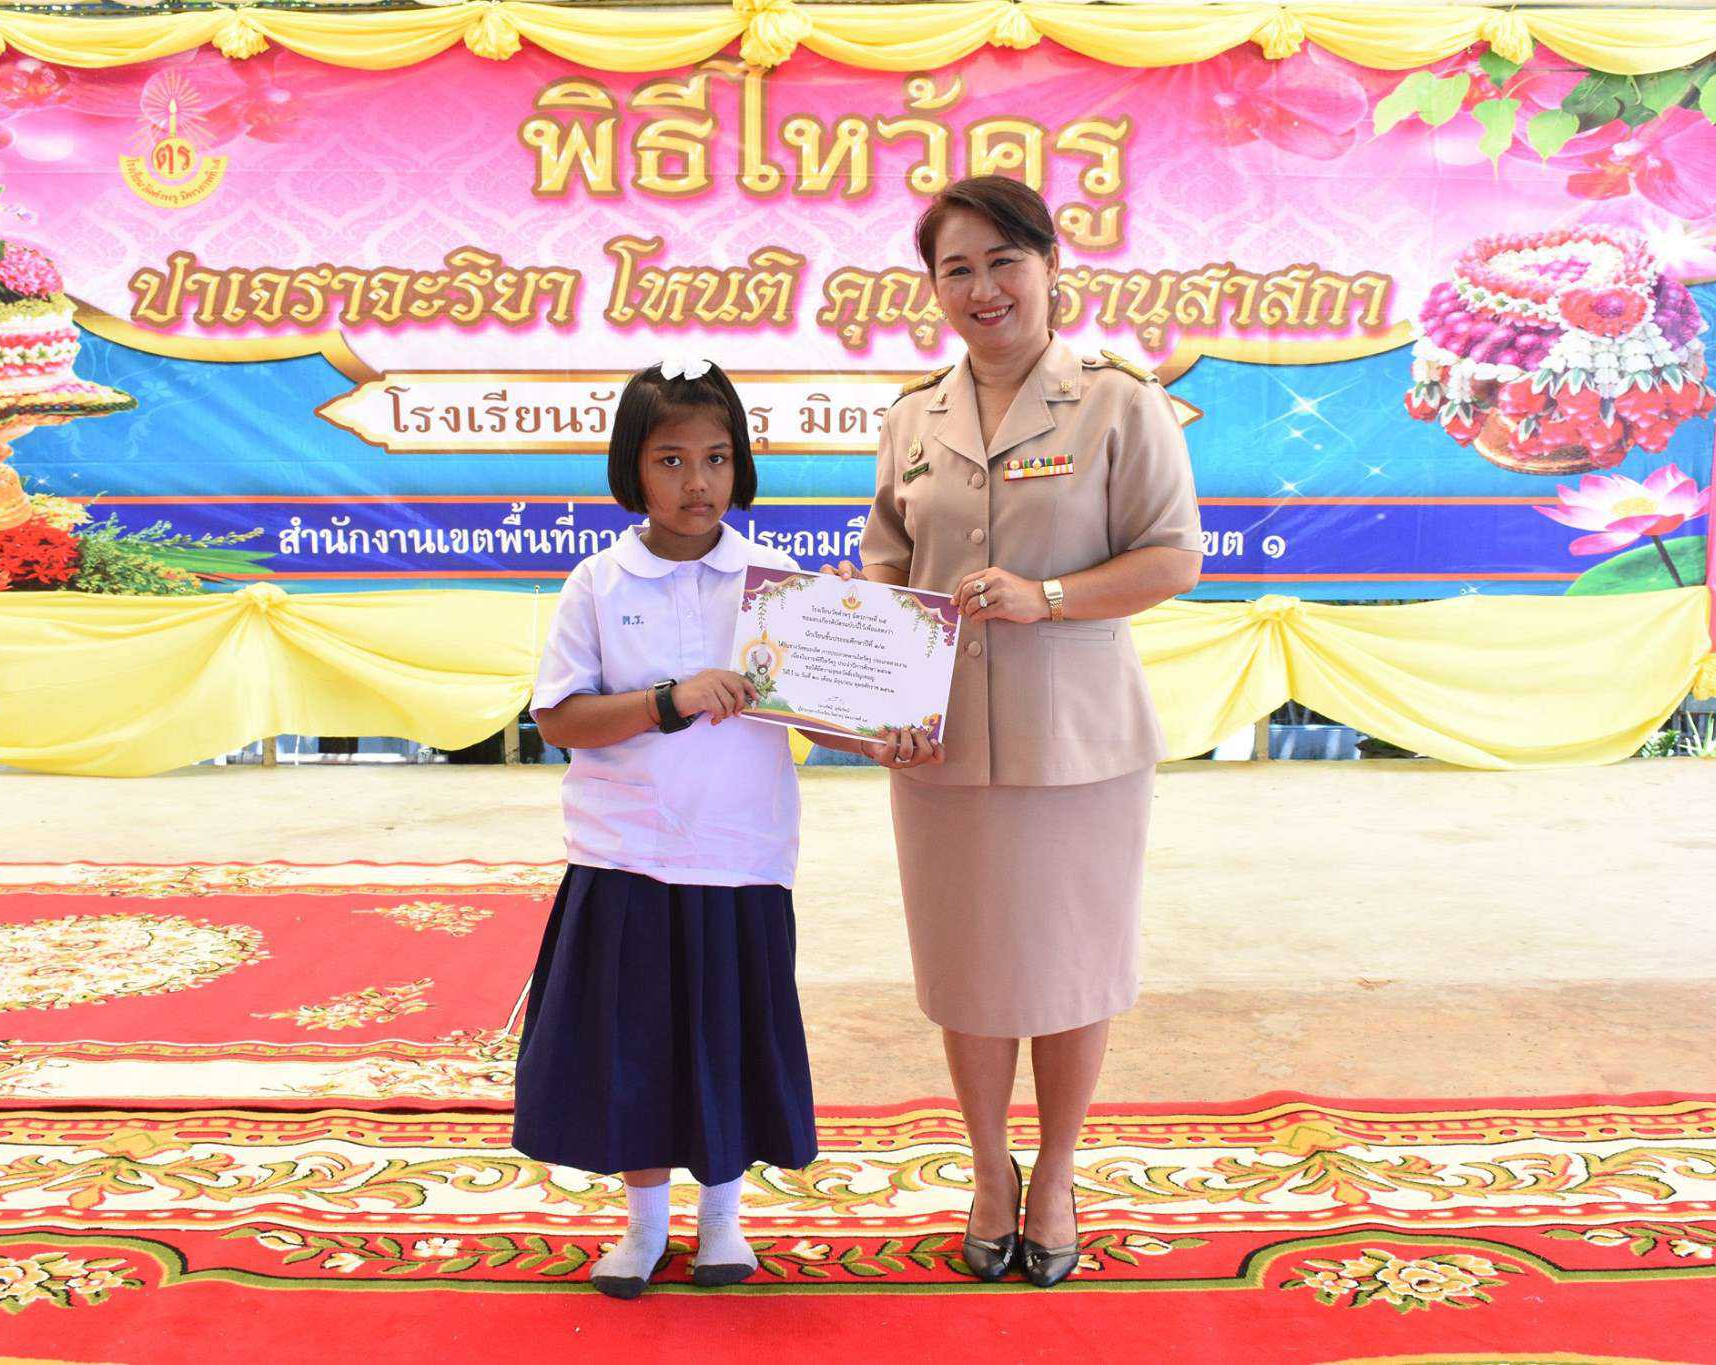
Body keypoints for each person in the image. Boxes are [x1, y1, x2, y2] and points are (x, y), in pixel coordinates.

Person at [833, 176, 1201, 1287]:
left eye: (1003, 261)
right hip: (938, 744)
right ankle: (990, 1168)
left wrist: (1048, 597)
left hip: (1076, 740)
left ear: (1051, 266)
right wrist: (875, 690)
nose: (982, 288)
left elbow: (1172, 555)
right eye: (957, 269)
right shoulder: (913, 417)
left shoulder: (1118, 404)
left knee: (1072, 965)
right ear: (934, 287)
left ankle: (1057, 1176)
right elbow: (885, 563)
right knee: (971, 967)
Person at [513, 356, 940, 1300]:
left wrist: (887, 727)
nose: (696, 481)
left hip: (741, 858)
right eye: (669, 459)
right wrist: (668, 699)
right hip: (624, 856)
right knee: (632, 1048)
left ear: (741, 464)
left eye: (715, 457)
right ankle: (642, 1225)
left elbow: (833, 713)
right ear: (632, 468)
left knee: (726, 1041)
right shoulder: (597, 583)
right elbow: (560, 718)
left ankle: (722, 1220)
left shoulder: (778, 586)